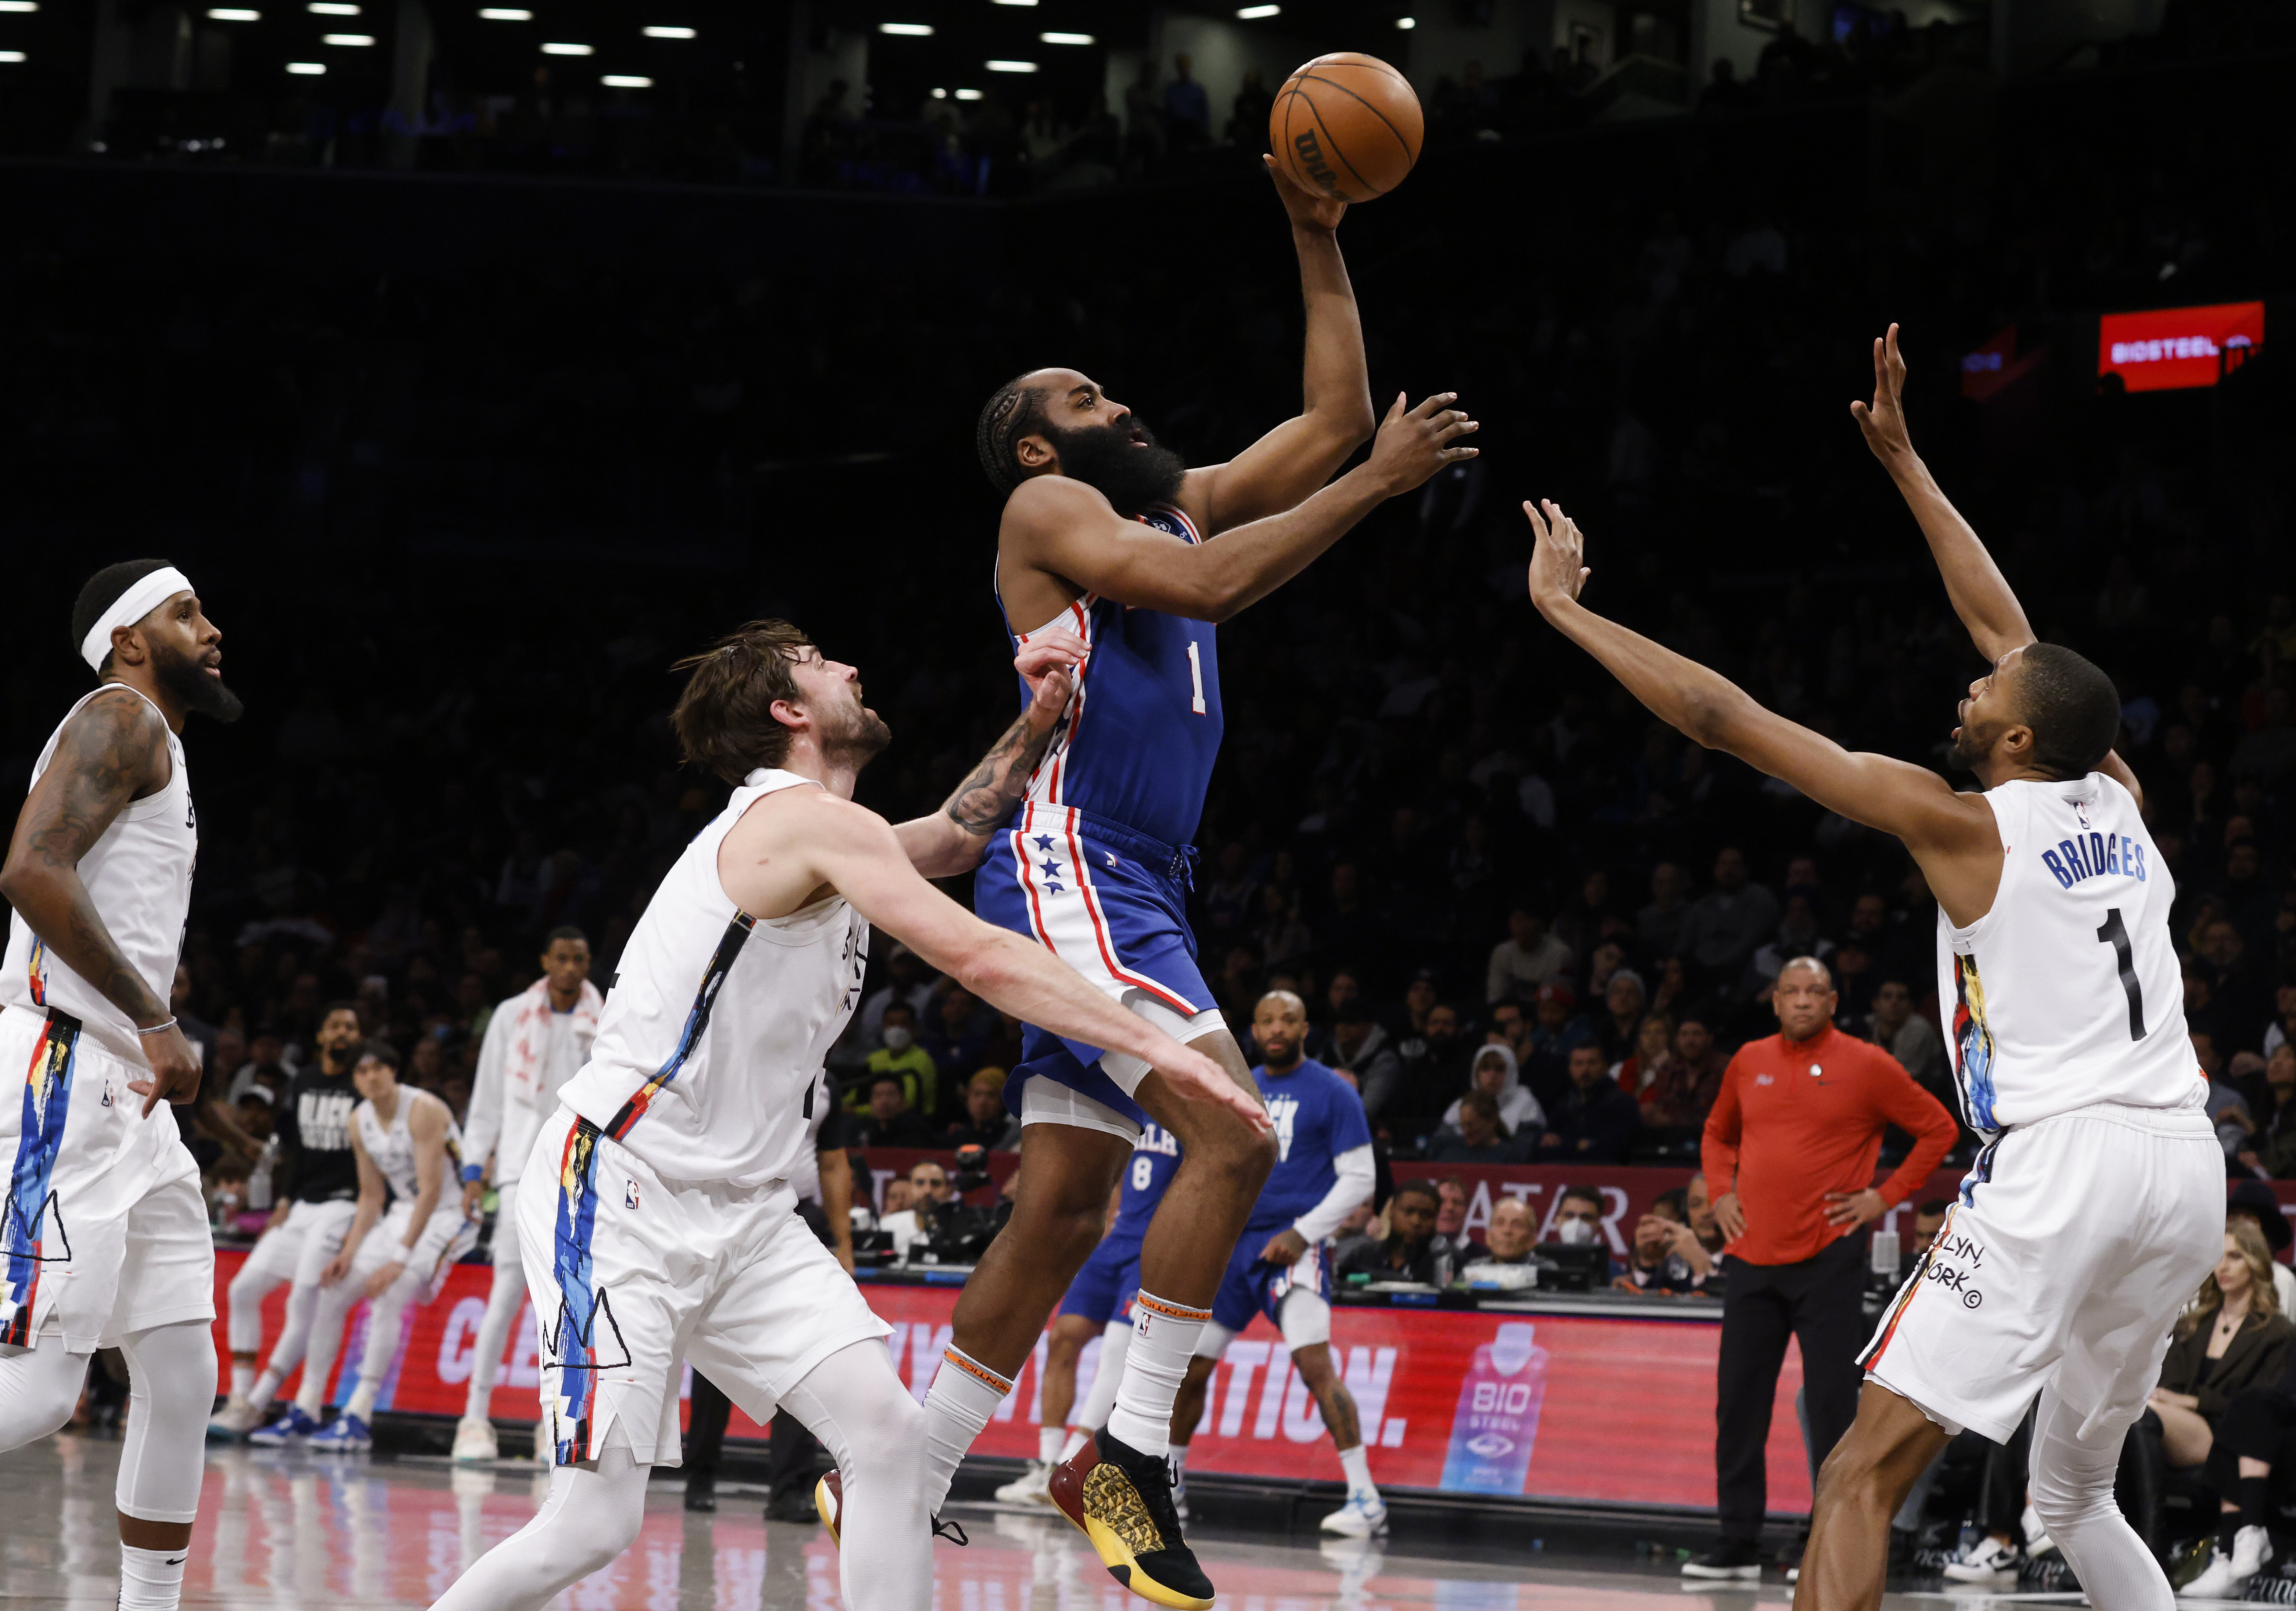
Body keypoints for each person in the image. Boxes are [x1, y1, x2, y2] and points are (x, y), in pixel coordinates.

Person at [1525, 323, 2221, 1604]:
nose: (1963, 687)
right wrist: (1905, 460)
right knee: (2072, 1491)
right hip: (2183, 1168)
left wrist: (1570, 612)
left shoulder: (1966, 820)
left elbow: (1724, 720)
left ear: (2015, 736)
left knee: (1857, 1473)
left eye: (1981, 694)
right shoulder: (2114, 791)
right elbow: (2012, 629)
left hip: (2065, 1161)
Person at [429, 618, 1260, 1611]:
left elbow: (956, 836)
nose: (852, 667)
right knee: (594, 1522)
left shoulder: (837, 839)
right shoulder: (791, 820)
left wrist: (1039, 717)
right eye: (823, 666)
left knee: (893, 1443)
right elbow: (985, 957)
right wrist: (1161, 1044)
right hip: (616, 1192)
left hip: (743, 1217)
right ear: (789, 713)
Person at [951, 161, 1473, 1608]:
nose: (1113, 403)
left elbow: (1329, 420)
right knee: (1233, 1136)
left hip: (1145, 881)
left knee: (1058, 1206)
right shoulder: (1051, 527)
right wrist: (1374, 490)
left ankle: (904, 1457)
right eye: (1081, 399)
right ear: (1035, 454)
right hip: (1072, 864)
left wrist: (1313, 238)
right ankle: (1126, 1452)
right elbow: (1214, 589)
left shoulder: (1174, 503)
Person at [0, 561, 236, 1611]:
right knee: (43, 1392)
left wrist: (150, 991)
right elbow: (31, 869)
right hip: (69, 1069)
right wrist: (152, 1015)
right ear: (130, 639)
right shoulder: (120, 717)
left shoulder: (159, 744)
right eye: (187, 611)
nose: (213, 627)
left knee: (184, 1376)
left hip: (128, 1098)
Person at [1682, 957, 1957, 1578]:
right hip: (1752, 1254)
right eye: (1791, 992)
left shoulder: (1867, 1064)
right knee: (1738, 1403)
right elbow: (1718, 1133)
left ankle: (1831, 1540)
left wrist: (1883, 1197)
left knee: (1833, 1405)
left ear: (1833, 1002)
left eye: (1814, 992)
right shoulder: (1748, 1061)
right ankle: (1738, 1542)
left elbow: (1937, 1129)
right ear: (1774, 1001)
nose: (1802, 1001)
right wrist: (1721, 1192)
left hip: (1829, 1260)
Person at [1167, 994, 1382, 1538]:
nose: (1276, 1028)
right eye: (1265, 1019)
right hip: (1232, 1247)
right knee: (1188, 1371)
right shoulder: (1236, 1084)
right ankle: (1172, 1490)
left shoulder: (1333, 1090)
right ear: (1253, 1028)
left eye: (1288, 1018)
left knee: (1314, 1367)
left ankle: (1365, 1497)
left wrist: (1301, 1232)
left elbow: (1360, 1178)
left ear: (1306, 1027)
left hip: (1294, 1247)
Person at [452, 926, 601, 1463]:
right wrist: (475, 1168)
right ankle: (473, 1419)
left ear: (588, 963)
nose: (569, 967)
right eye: (560, 957)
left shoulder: (606, 1020)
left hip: (581, 1177)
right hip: (518, 1171)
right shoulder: (512, 1014)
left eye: (579, 959)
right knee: (504, 1298)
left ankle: (554, 1425)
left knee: (568, 1304)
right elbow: (487, 1098)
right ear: (545, 960)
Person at [685, 1067, 857, 1522]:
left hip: (801, 1218)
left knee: (802, 1354)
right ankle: (700, 1474)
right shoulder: (743, 1056)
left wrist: (844, 1242)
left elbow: (833, 1161)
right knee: (717, 1357)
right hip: (734, 1211)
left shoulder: (826, 1080)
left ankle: (790, 1488)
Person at [289, 1042, 477, 1452]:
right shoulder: (359, 1120)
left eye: (378, 1068)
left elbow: (430, 1192)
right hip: (402, 1214)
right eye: (361, 1072)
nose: (370, 1077)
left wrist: (400, 1259)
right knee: (334, 1289)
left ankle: (358, 1414)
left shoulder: (423, 1110)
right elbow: (372, 1197)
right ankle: (307, 1407)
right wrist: (348, 1253)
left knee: (390, 1293)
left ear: (394, 1071)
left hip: (451, 1213)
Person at [995, 1121, 1183, 1508]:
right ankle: (1047, 1463)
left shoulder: (1194, 1110)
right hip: (1118, 1239)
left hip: (1158, 1242)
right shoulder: (1136, 1103)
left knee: (1118, 1348)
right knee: (1062, 1336)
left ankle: (1072, 1469)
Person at [213, 1000, 367, 1440]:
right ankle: (240, 1398)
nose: (342, 1034)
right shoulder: (302, 1081)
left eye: (350, 1028)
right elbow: (295, 1151)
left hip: (342, 1206)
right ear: (321, 1036)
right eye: (335, 1025)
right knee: (243, 1289)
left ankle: (259, 1401)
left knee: (304, 1300)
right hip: (300, 1206)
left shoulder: (363, 1085)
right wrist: (283, 1200)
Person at [1334, 1179, 1453, 1285]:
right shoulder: (1362, 1257)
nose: (1416, 1222)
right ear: (1391, 1211)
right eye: (1409, 1212)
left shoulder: (1445, 1262)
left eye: (1427, 1215)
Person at [1539, 1043, 1641, 1161]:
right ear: (1570, 1069)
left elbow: (1610, 1152)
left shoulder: (1622, 1104)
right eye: (1579, 1064)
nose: (1585, 1070)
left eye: (1592, 1063)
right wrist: (1579, 1145)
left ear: (1605, 1067)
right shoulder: (1565, 1104)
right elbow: (1546, 1145)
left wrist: (1565, 1145)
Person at [2226, 1178, 2296, 1312]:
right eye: (2230, 1219)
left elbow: (2283, 1332)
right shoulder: (2217, 1275)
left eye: (2243, 1221)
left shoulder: (2280, 1279)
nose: (2232, 1228)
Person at [1424, 1089, 1531, 1163]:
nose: (1466, 1132)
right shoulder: (1447, 1150)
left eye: (1471, 1125)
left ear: (1492, 1121)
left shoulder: (1512, 1158)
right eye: (1463, 1126)